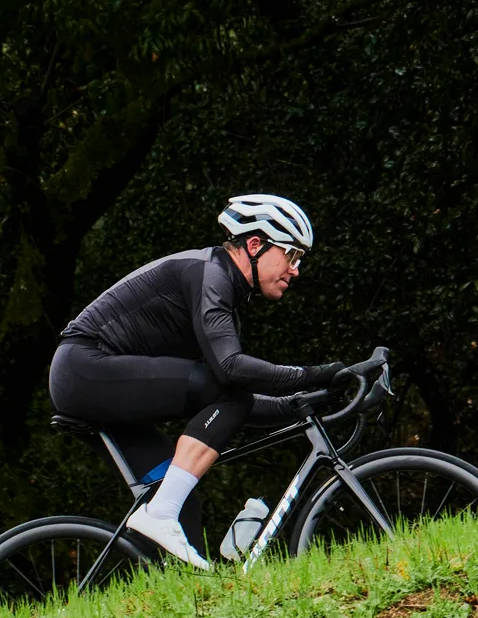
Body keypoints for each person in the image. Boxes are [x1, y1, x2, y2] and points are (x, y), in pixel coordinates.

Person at [47, 194, 347, 569]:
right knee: (222, 396)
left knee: (179, 500)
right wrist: (315, 375)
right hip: (84, 369)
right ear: (255, 245)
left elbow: (237, 397)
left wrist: (305, 401)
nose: (296, 269)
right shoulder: (211, 275)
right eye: (291, 255)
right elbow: (232, 375)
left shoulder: (222, 292)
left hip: (89, 377)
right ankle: (160, 517)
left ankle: (172, 604)